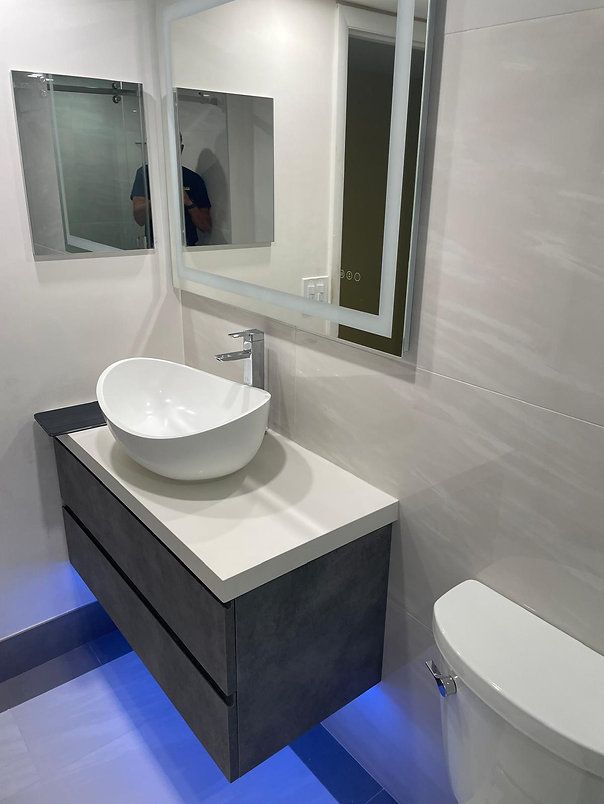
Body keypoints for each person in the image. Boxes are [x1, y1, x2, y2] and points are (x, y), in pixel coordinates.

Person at [130, 134, 212, 247]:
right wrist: (162, 197)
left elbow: (206, 226)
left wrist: (188, 202)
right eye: (162, 147)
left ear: (181, 149)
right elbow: (139, 219)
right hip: (156, 249)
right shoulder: (145, 174)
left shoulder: (193, 179)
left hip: (187, 248)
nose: (166, 152)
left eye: (172, 146)